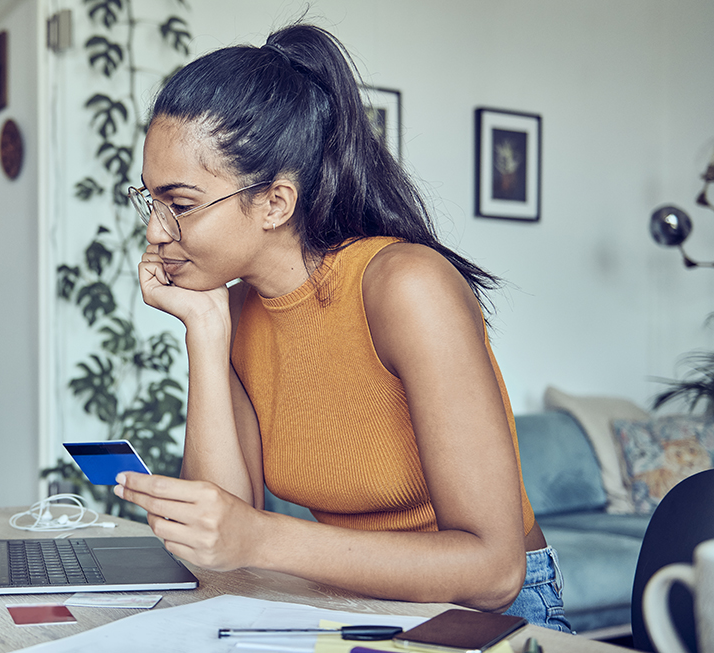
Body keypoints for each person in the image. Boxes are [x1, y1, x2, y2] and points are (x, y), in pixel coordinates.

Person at [113, 23, 572, 632]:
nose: (155, 231)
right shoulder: (239, 309)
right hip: (356, 607)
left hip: (492, 617)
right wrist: (204, 327)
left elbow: (493, 571)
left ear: (276, 202)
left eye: (183, 203)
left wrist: (260, 540)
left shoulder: (406, 286)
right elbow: (224, 550)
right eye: (151, 201)